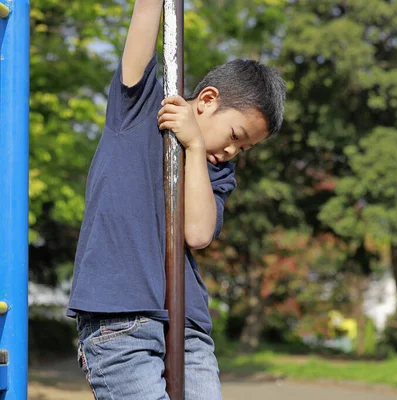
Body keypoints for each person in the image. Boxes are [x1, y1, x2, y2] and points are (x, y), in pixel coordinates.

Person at [66, 0, 286, 399]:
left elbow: (198, 232)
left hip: (187, 323)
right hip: (120, 315)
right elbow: (147, 13)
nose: (235, 151)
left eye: (246, 148)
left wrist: (197, 147)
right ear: (207, 100)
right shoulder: (140, 106)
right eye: (236, 136)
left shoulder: (216, 169)